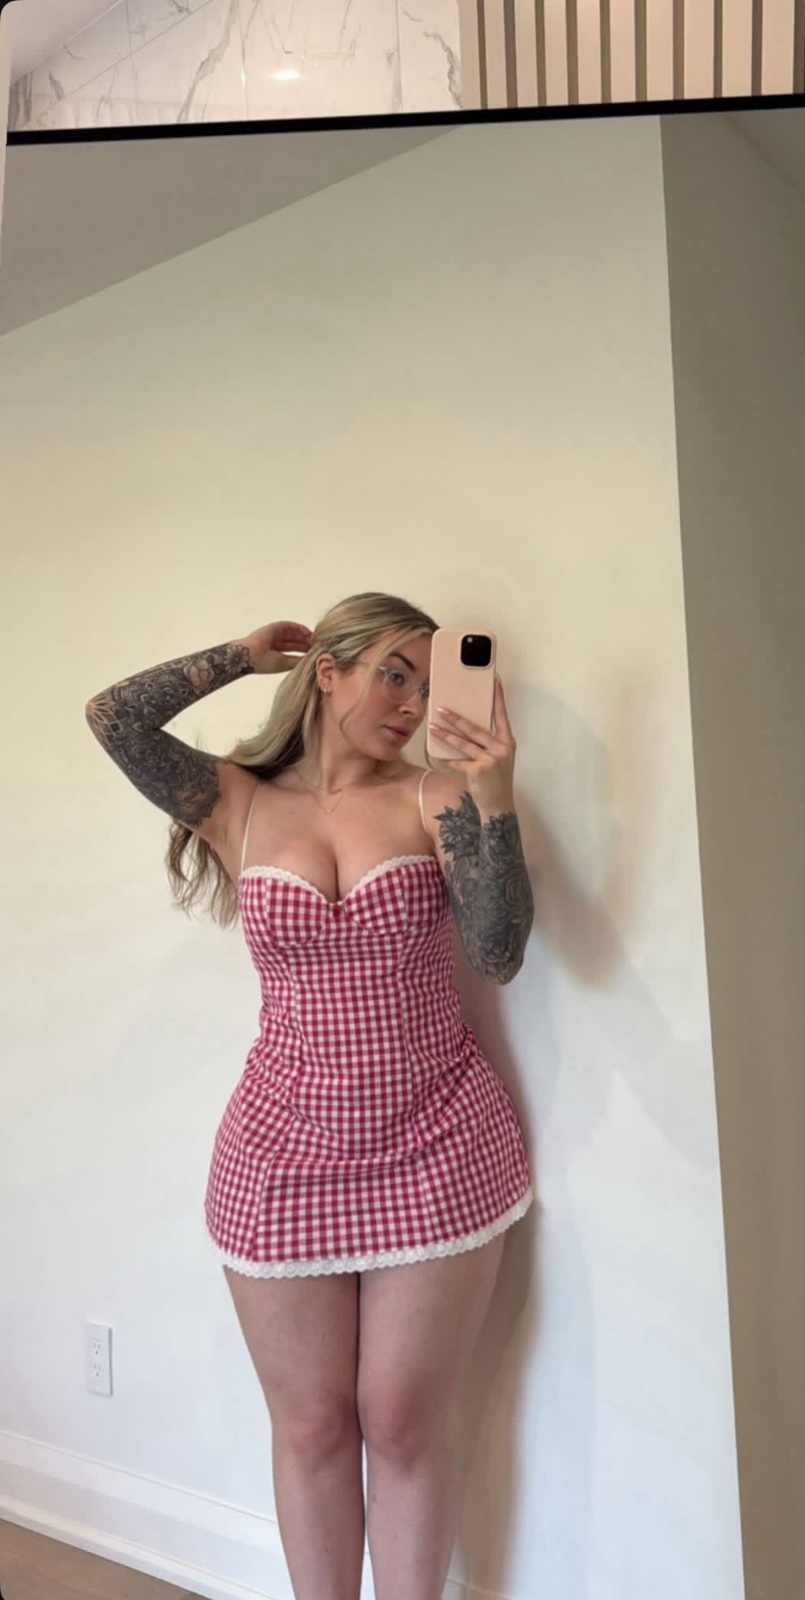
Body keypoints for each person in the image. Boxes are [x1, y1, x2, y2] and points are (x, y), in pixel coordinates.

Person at [85, 591, 534, 1600]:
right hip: (279, 1153)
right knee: (313, 1425)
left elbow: (498, 952)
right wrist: (240, 657)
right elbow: (113, 716)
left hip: (436, 1144)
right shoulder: (239, 804)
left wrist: (494, 793)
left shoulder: (435, 797)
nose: (413, 703)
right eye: (393, 674)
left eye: (428, 683)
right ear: (326, 672)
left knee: (402, 1421)